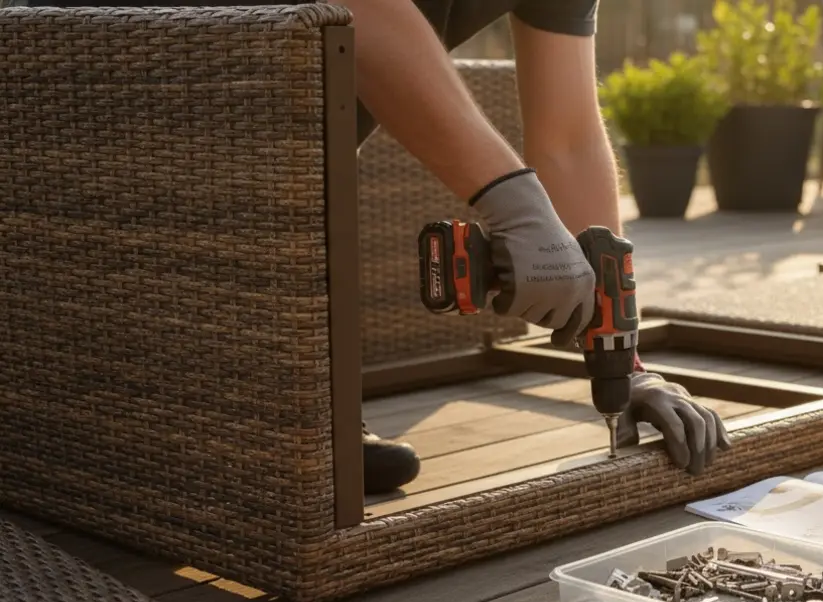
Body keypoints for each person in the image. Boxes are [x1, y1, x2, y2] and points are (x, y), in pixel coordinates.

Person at [38, 0, 734, 493]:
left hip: (269, 175)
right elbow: (358, 10)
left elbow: (569, 137)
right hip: (93, 125)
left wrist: (620, 355)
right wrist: (515, 203)